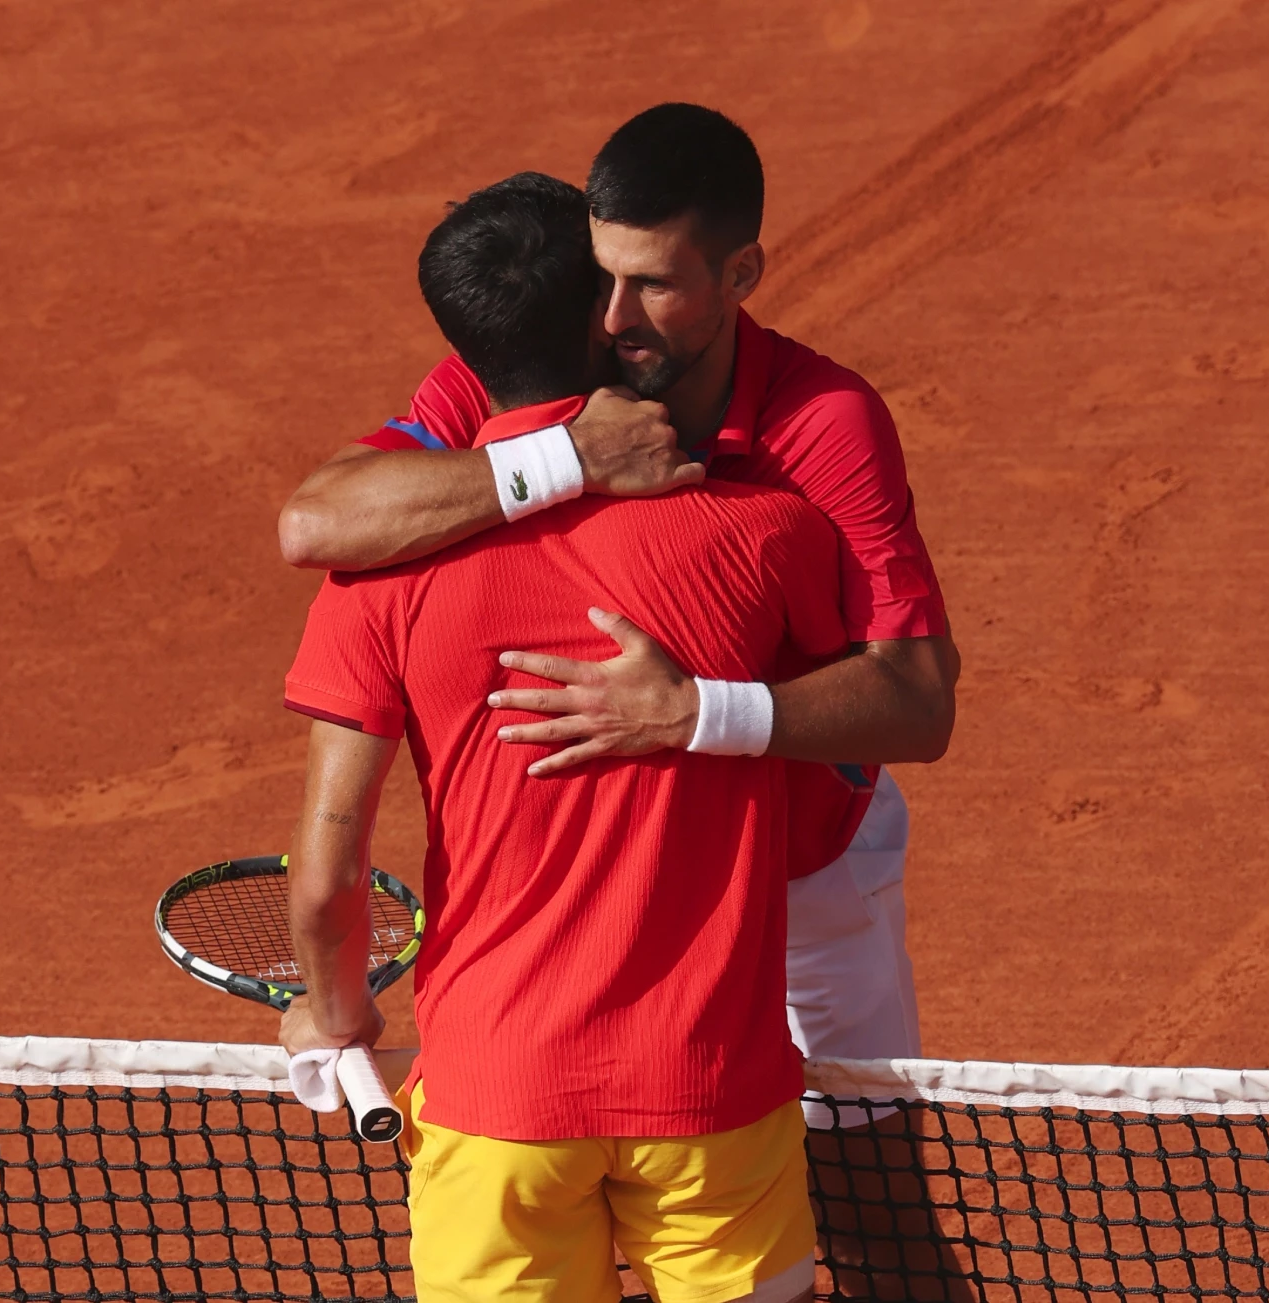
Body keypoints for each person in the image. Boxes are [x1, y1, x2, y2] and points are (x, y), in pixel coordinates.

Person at [277, 103, 956, 1081]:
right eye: (604, 275)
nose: (610, 318)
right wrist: (566, 456)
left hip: (806, 867)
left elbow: (919, 704)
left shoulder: (825, 423)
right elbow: (316, 521)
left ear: (741, 275)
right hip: (606, 881)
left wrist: (696, 714)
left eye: (652, 285)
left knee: (864, 1168)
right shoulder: (529, 375)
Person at [280, 171, 849, 1303]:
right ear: (609, 315)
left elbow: (328, 870)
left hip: (498, 1100)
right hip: (712, 1091)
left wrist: (332, 1007)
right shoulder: (770, 537)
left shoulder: (376, 578)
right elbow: (846, 753)